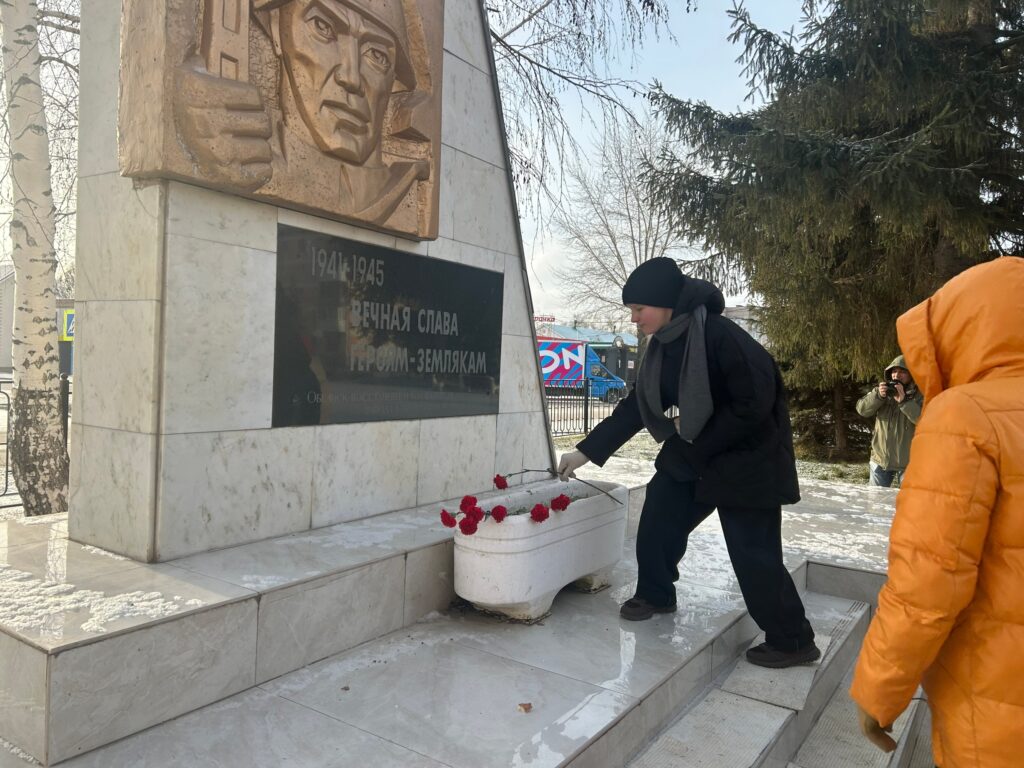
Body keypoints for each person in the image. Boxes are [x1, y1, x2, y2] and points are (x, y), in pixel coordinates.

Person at [558, 257, 818, 668]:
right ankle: (656, 594)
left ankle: (793, 640)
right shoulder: (663, 345)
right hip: (696, 449)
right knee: (659, 517)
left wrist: (698, 438)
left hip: (748, 457)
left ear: (665, 303)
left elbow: (754, 403)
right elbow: (636, 408)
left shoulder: (721, 336)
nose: (634, 318)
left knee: (753, 552)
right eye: (631, 310)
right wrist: (584, 453)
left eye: (639, 308)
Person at [850, 256, 1024, 767]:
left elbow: (929, 577)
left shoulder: (966, 413)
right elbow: (865, 410)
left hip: (997, 696)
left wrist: (879, 689)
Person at [174, 0, 431, 229]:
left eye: (377, 55)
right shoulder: (240, 144)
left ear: (393, 82)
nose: (351, 77)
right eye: (322, 26)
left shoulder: (401, 186)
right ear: (277, 28)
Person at [855, 355, 923, 487]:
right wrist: (878, 396)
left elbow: (925, 421)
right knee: (875, 499)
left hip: (910, 464)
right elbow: (862, 410)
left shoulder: (920, 395)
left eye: (902, 371)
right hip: (880, 460)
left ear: (911, 374)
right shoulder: (882, 392)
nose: (897, 375)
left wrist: (904, 402)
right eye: (894, 371)